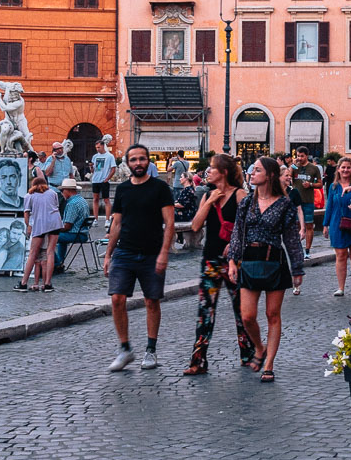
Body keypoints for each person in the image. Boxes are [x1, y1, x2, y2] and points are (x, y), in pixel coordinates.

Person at [225, 156, 304, 383]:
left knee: (272, 315)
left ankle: (269, 364)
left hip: (274, 261)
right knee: (247, 316)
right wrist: (232, 261)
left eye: (257, 170)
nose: (252, 174)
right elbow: (237, 234)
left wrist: (297, 268)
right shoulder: (246, 203)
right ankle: (259, 347)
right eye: (252, 170)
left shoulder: (284, 204)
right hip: (249, 261)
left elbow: (290, 239)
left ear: (269, 175)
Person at [104, 144, 176, 371]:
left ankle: (151, 350)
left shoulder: (160, 188)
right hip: (124, 252)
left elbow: (170, 223)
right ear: (128, 163)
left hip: (152, 253)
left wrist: (164, 252)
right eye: (133, 159)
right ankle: (125, 349)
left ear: (148, 161)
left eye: (142, 159)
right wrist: (108, 254)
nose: (138, 163)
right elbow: (116, 223)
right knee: (117, 299)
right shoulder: (123, 190)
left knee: (151, 301)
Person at [183, 153, 252, 375]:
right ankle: (198, 361)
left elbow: (249, 227)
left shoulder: (241, 195)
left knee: (241, 311)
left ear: (223, 172)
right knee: (205, 311)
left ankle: (248, 354)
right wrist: (210, 202)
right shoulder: (208, 195)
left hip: (235, 262)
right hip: (210, 260)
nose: (208, 171)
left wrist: (233, 245)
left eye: (212, 168)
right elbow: (195, 226)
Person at [325, 158, 351, 296]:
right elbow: (329, 207)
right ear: (338, 169)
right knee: (341, 255)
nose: (345, 170)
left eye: (348, 167)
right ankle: (341, 287)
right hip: (337, 224)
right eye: (343, 167)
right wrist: (325, 224)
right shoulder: (333, 187)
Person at [16, 172, 61, 292]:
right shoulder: (53, 193)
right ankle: (47, 283)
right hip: (55, 222)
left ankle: (23, 283)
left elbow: (26, 213)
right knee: (50, 252)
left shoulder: (29, 196)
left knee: (33, 253)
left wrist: (28, 226)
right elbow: (55, 207)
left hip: (39, 223)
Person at [53, 177, 91, 272]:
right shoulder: (82, 200)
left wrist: (53, 228)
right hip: (83, 233)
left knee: (49, 238)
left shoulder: (72, 204)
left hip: (76, 234)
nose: (61, 193)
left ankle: (57, 264)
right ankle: (60, 261)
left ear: (68, 190)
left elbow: (67, 227)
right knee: (60, 240)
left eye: (62, 190)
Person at [290, 147, 322, 256]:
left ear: (307, 156)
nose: (299, 158)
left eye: (302, 156)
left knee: (309, 225)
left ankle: (307, 250)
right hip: (295, 202)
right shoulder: (295, 167)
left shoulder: (314, 168)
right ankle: (297, 248)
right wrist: (293, 165)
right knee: (296, 225)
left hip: (308, 200)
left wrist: (311, 185)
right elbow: (288, 177)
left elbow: (320, 184)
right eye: (298, 156)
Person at [90, 139, 117, 219]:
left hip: (104, 180)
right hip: (95, 180)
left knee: (106, 200)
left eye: (99, 147)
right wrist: (91, 166)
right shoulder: (95, 156)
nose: (97, 149)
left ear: (103, 146)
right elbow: (92, 171)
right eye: (96, 147)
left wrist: (107, 179)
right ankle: (95, 218)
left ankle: (107, 219)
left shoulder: (110, 156)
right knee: (95, 199)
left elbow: (113, 169)